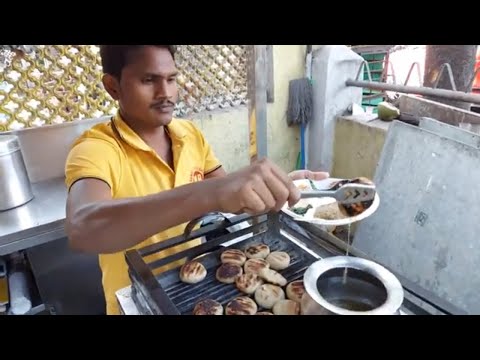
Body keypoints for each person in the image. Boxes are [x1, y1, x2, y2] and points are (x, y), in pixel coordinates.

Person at [64, 45, 329, 315]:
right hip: (139, 301)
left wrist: (274, 187)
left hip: (196, 288)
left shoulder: (188, 134)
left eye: (171, 79)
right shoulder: (97, 148)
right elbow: (83, 229)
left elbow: (229, 194)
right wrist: (210, 193)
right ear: (113, 87)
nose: (165, 93)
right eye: (148, 80)